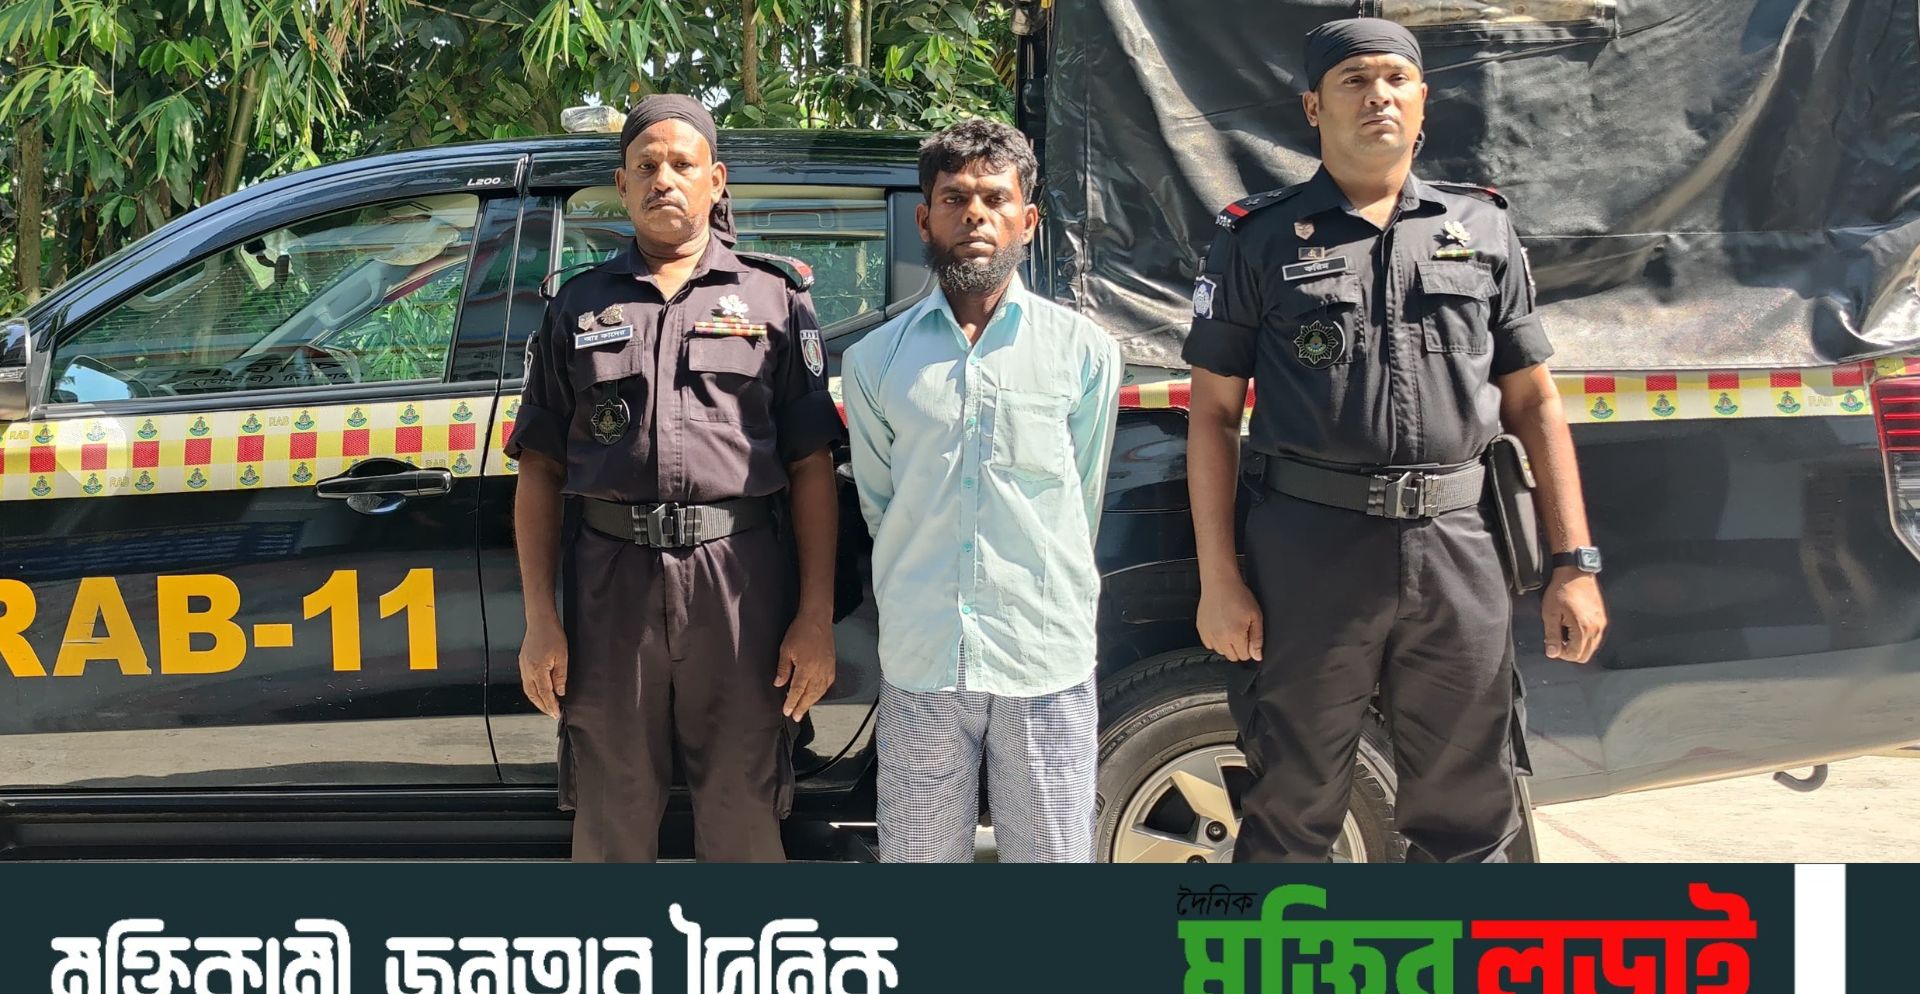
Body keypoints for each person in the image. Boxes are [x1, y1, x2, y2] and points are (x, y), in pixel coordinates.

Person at [1182, 18, 1608, 863]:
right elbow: (1213, 416)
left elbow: (1535, 403)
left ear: (1422, 102)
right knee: (1291, 800)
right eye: (1353, 80)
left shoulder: (1482, 227)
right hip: (1310, 552)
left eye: (1394, 79)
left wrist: (1575, 564)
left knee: (1471, 806)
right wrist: (1220, 580)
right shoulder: (1257, 237)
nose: (1376, 95)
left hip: (1457, 547)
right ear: (1313, 106)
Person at [506, 94, 842, 862]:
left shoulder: (773, 299)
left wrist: (814, 617)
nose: (665, 179)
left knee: (743, 809)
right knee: (611, 811)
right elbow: (541, 467)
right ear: (621, 185)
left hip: (739, 585)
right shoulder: (579, 306)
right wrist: (541, 619)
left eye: (682, 164)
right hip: (609, 588)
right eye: (647, 165)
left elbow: (811, 466)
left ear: (715, 180)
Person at [842, 119, 1123, 863]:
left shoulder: (1084, 352)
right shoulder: (875, 361)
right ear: (924, 219)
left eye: (995, 198)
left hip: (1044, 658)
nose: (975, 214)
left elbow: (1081, 497)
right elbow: (882, 504)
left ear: (1027, 220)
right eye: (955, 198)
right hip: (923, 661)